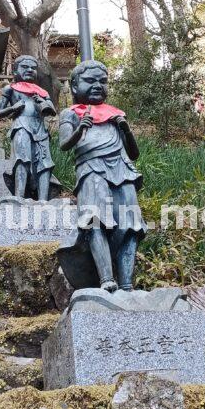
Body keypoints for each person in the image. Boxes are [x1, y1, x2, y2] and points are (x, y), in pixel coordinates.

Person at [57, 60, 145, 292]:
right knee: (94, 219)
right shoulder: (71, 113)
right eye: (90, 80)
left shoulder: (115, 115)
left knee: (131, 224)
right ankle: (106, 279)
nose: (97, 85)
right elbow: (64, 144)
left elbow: (134, 153)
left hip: (123, 169)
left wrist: (125, 128)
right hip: (91, 170)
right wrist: (80, 129)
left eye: (102, 81)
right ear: (75, 86)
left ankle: (127, 283)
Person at [0, 55, 57, 201]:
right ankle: (19, 195)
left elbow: (52, 111)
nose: (30, 70)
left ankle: (43, 200)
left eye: (33, 68)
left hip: (40, 127)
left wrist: (43, 102)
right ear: (15, 70)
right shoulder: (10, 89)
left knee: (45, 163)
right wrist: (13, 107)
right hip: (21, 125)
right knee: (22, 159)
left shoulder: (42, 92)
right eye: (25, 67)